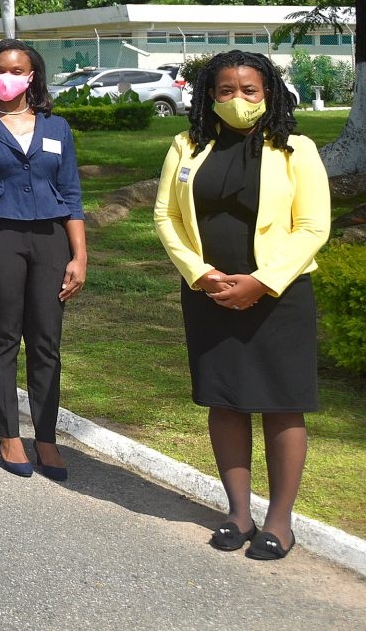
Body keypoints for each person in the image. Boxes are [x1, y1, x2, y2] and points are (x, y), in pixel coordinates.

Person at [154, 50, 329, 561]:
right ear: (210, 95)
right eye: (226, 91)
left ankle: (279, 522)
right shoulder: (186, 146)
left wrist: (262, 282)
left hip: (279, 297)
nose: (237, 100)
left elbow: (313, 227)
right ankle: (237, 513)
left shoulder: (295, 149)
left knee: (281, 403)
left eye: (249, 90)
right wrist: (201, 275)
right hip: (209, 296)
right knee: (226, 400)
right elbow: (166, 217)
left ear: (268, 93)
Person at [0, 39, 87, 480]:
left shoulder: (56, 127)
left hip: (51, 240)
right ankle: (8, 434)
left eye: (17, 69)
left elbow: (72, 195)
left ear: (33, 77)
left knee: (47, 341)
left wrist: (79, 255)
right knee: (4, 336)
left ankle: (45, 437)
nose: (7, 77)